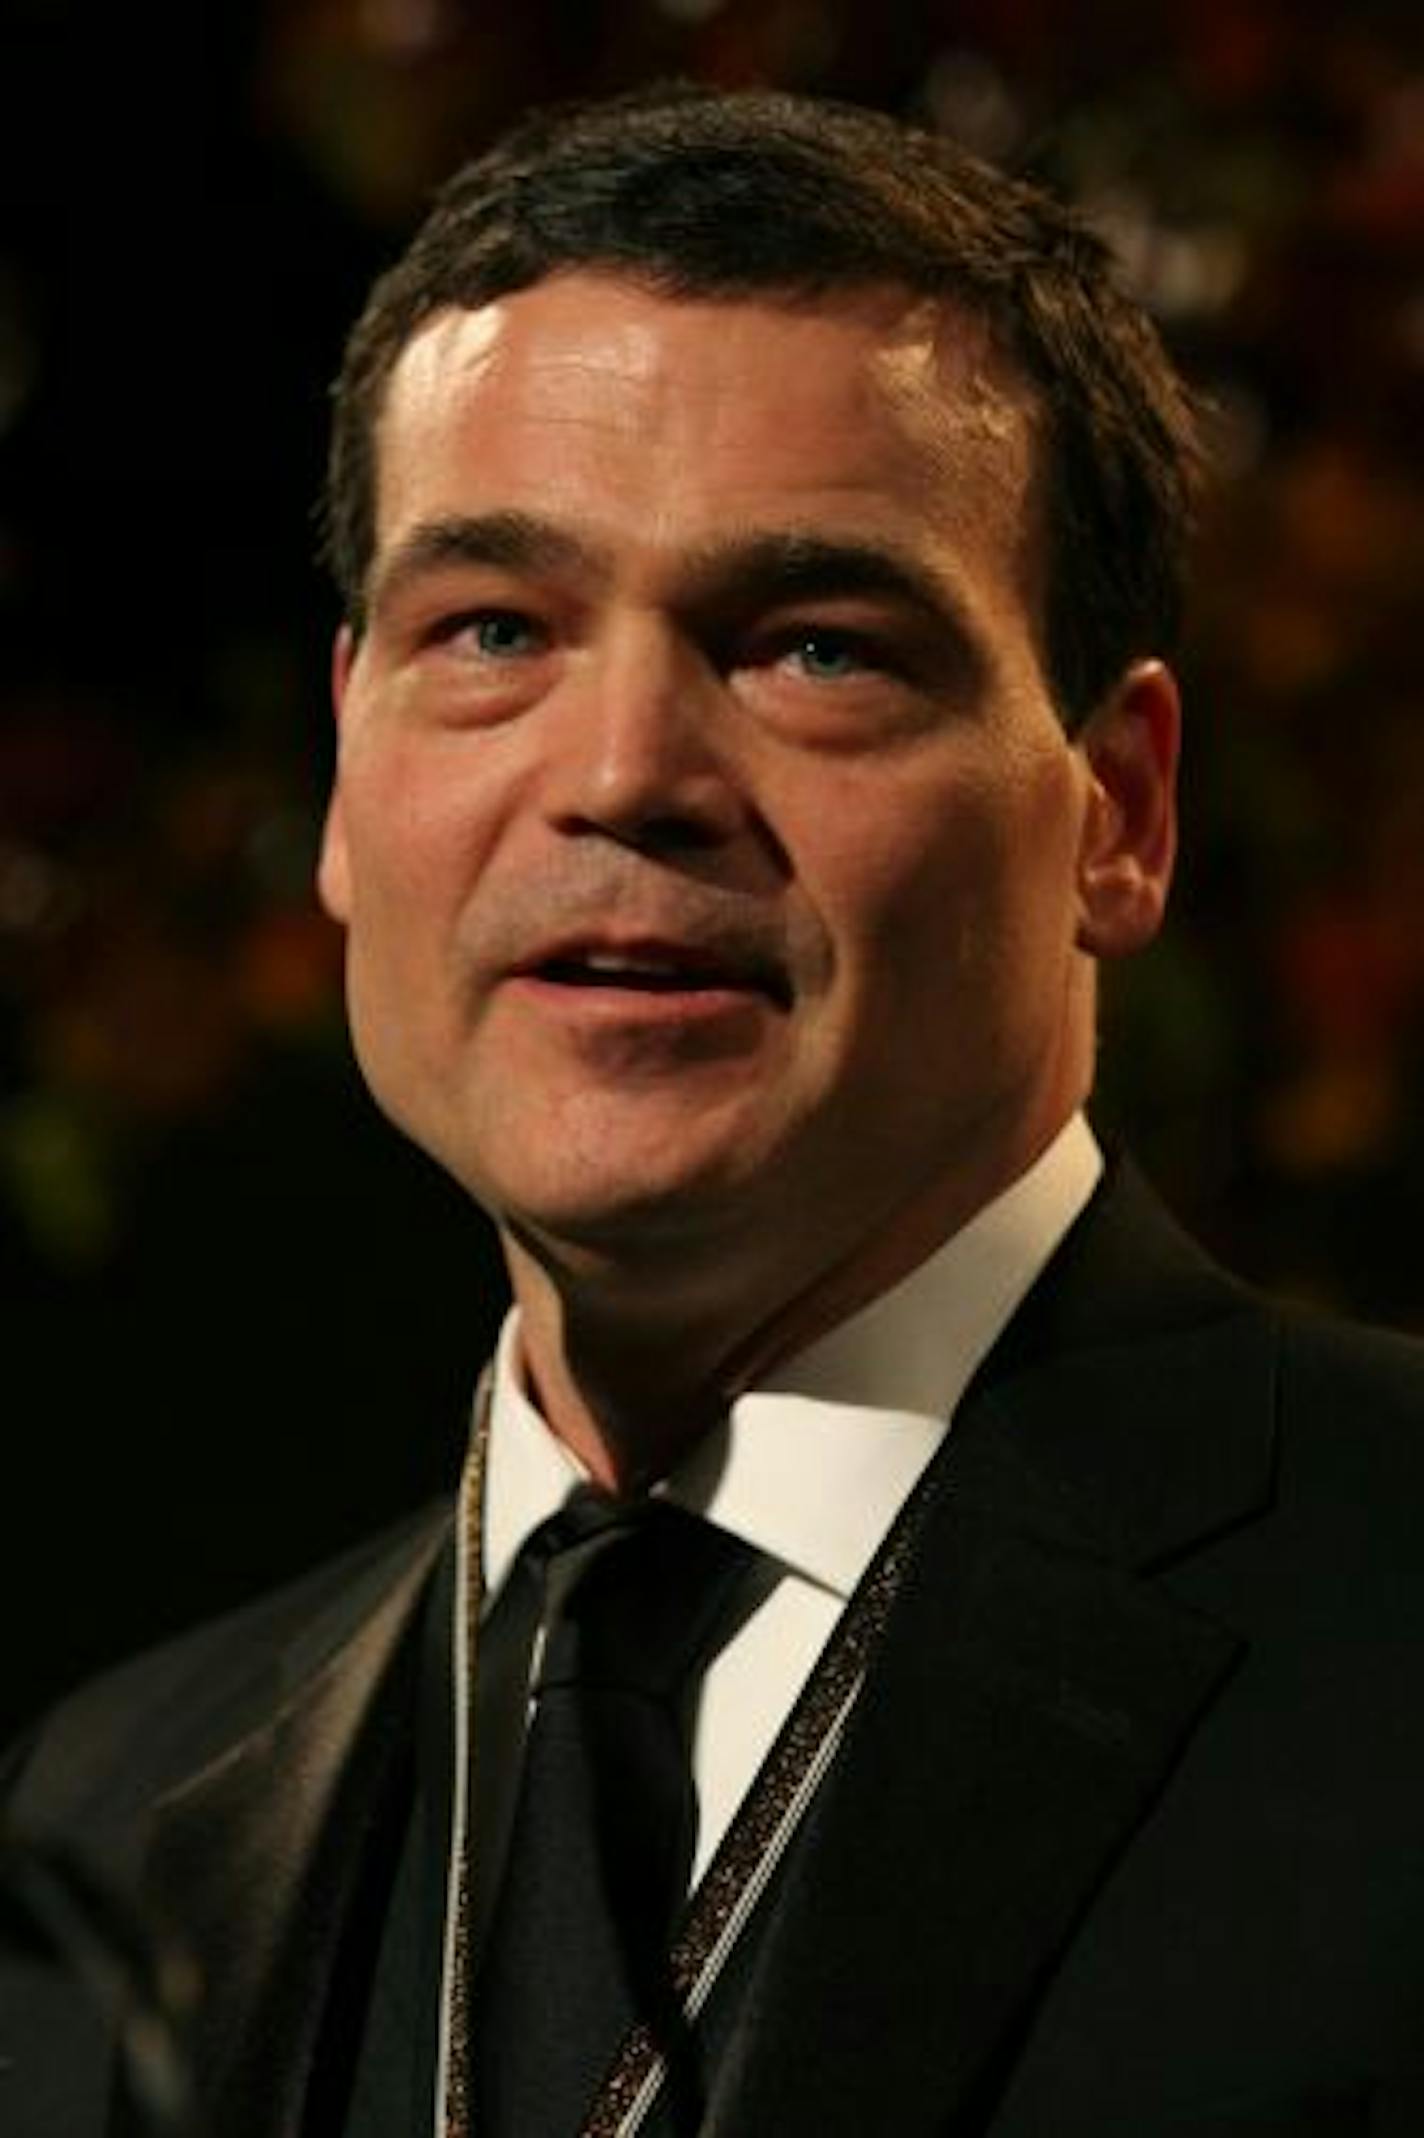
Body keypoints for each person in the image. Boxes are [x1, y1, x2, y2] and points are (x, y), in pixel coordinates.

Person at [3, 82, 1423, 2138]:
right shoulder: (110, 1816)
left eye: (814, 647)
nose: (621, 772)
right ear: (342, 770)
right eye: (491, 631)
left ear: (1115, 810)